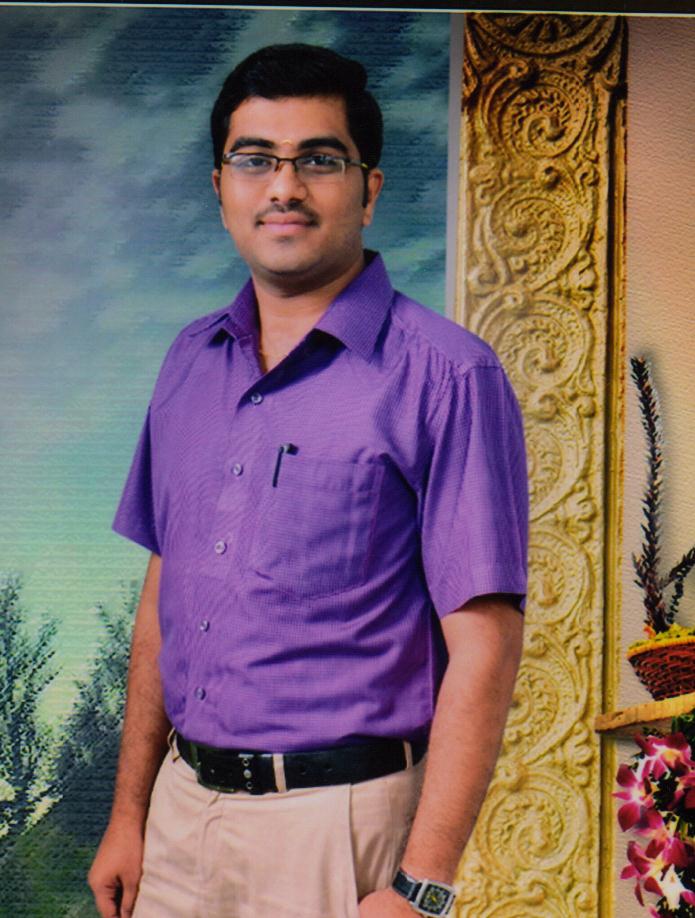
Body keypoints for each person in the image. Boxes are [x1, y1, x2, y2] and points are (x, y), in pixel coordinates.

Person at [88, 43, 528, 918]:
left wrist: (421, 886)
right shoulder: (187, 361)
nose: (283, 187)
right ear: (221, 187)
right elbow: (164, 596)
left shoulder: (448, 375)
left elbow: (485, 643)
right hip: (177, 816)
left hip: (337, 831)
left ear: (368, 189)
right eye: (255, 159)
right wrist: (129, 815)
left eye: (319, 160)